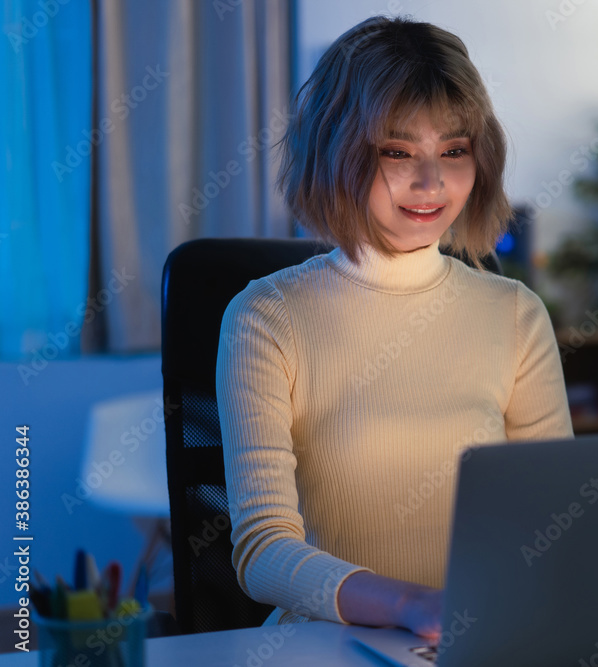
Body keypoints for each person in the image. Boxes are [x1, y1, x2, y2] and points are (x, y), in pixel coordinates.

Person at [216, 14, 574, 644]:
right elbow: (263, 551)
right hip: (326, 645)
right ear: (337, 151)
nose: (432, 182)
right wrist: (413, 605)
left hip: (484, 640)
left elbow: (556, 513)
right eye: (398, 151)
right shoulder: (266, 317)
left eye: (454, 151)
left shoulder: (515, 313)